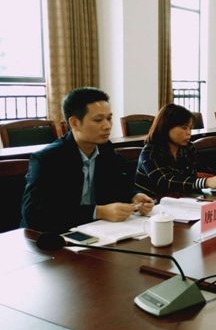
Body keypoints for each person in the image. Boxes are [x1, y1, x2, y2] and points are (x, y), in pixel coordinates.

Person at [20, 87, 154, 234]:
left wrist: (134, 196)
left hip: (95, 230)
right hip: (50, 236)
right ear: (74, 123)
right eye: (98, 120)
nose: (107, 126)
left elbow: (118, 181)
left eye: (109, 118)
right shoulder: (48, 159)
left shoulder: (105, 149)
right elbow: (34, 213)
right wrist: (99, 212)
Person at [134, 104, 216, 197]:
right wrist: (205, 182)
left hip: (181, 200)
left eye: (190, 128)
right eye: (184, 128)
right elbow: (165, 181)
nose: (189, 133)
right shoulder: (150, 152)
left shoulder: (188, 148)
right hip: (153, 203)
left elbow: (193, 174)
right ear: (166, 127)